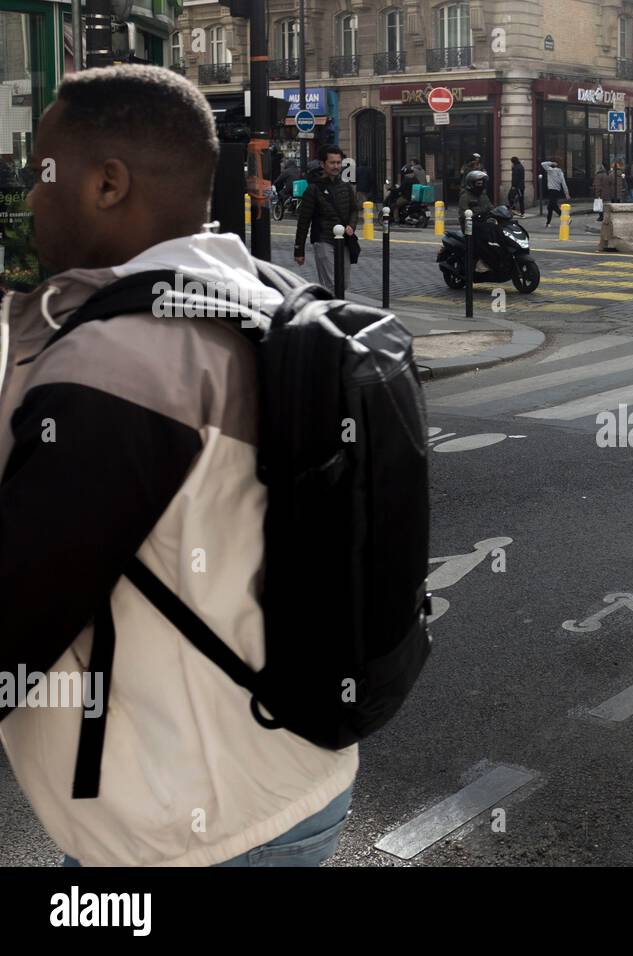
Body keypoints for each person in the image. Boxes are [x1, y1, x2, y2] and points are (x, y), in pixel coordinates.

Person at [1, 64, 355, 867]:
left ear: (108, 184)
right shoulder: (262, 293)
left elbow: (17, 613)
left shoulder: (125, 360)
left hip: (191, 827)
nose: (29, 199)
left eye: (40, 175)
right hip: (287, 773)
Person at [293, 144, 358, 292]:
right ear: (323, 164)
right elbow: (303, 221)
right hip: (323, 240)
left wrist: (351, 226)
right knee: (332, 285)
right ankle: (332, 312)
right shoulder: (313, 189)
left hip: (344, 241)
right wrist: (299, 250)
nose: (336, 166)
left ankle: (333, 310)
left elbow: (354, 210)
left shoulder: (346, 187)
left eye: (338, 162)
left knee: (344, 284)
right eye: (332, 162)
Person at [540, 159, 569, 227]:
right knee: (550, 207)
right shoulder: (561, 173)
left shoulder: (550, 170)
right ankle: (548, 223)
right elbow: (563, 183)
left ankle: (566, 219)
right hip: (557, 191)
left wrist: (551, 163)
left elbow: (543, 163)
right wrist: (566, 193)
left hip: (551, 190)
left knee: (552, 206)